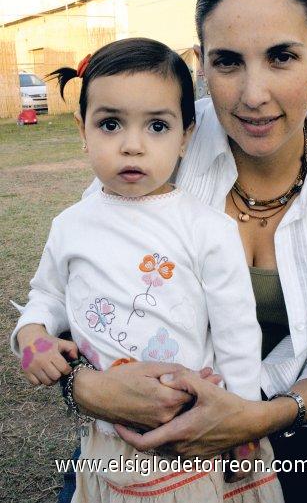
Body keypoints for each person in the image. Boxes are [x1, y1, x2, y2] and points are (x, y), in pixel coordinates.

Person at [24, 0, 307, 503]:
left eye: (282, 57)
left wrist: (253, 416)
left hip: (294, 421)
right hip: (147, 425)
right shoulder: (155, 151)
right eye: (227, 62)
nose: (253, 93)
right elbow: (71, 287)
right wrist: (93, 388)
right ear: (201, 64)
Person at [10, 38, 284, 503]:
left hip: (194, 439)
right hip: (104, 443)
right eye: (111, 123)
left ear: (186, 136)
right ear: (83, 129)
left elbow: (237, 333)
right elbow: (49, 296)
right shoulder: (71, 225)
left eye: (157, 125)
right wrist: (32, 335)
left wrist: (241, 424)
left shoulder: (207, 230)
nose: (133, 146)